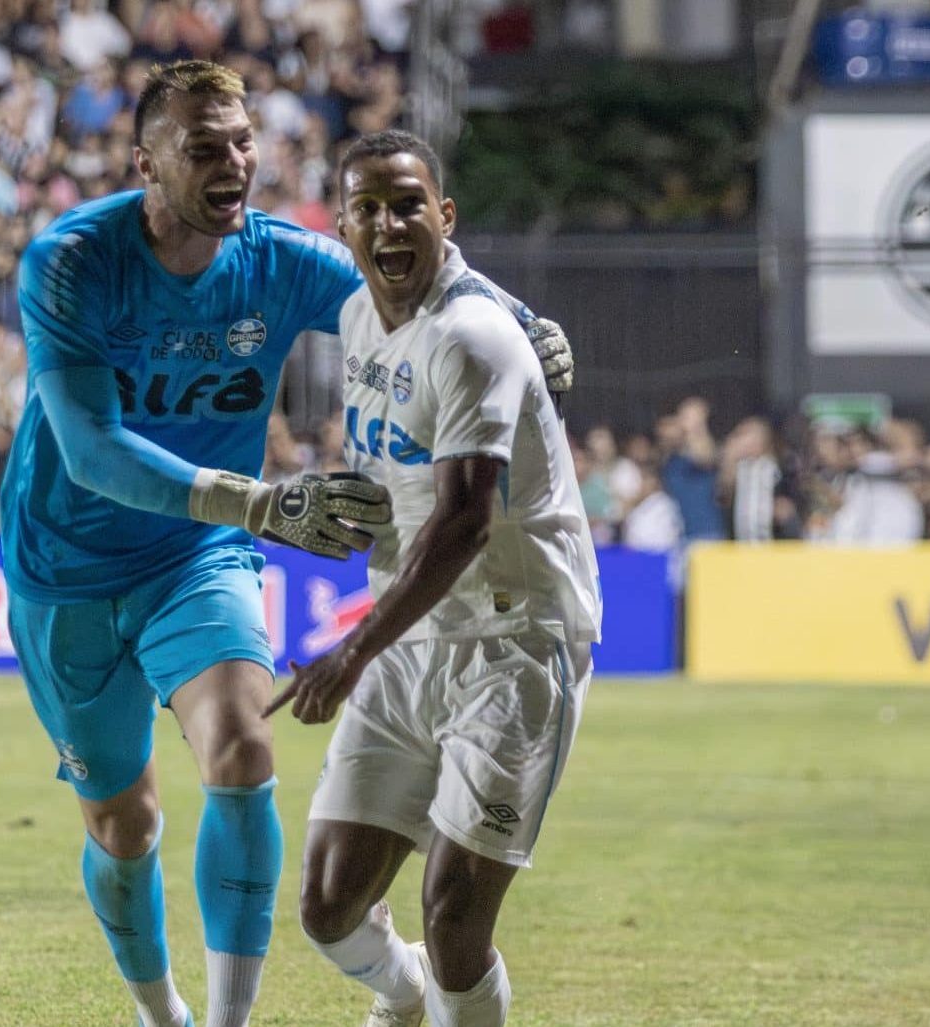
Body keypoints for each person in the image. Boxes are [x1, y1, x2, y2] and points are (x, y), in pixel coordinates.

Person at [0, 60, 574, 1027]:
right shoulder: (71, 261)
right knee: (123, 823)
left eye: (242, 142)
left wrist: (523, 320)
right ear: (146, 163)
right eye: (203, 148)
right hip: (65, 567)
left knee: (241, 749)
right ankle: (161, 1012)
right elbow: (91, 451)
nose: (234, 163)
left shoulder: (277, 261)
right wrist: (259, 503)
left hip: (196, 556)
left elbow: (415, 265)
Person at [267, 130, 601, 1027]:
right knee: (328, 905)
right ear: (343, 226)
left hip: (512, 639)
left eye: (408, 204)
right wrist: (340, 505)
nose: (389, 223)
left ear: (444, 216)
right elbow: (401, 475)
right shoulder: (355, 317)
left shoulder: (473, 335)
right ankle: (403, 994)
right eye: (368, 209)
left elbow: (463, 521)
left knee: (454, 913)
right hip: (410, 632)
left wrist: (349, 653)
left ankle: (442, 991)